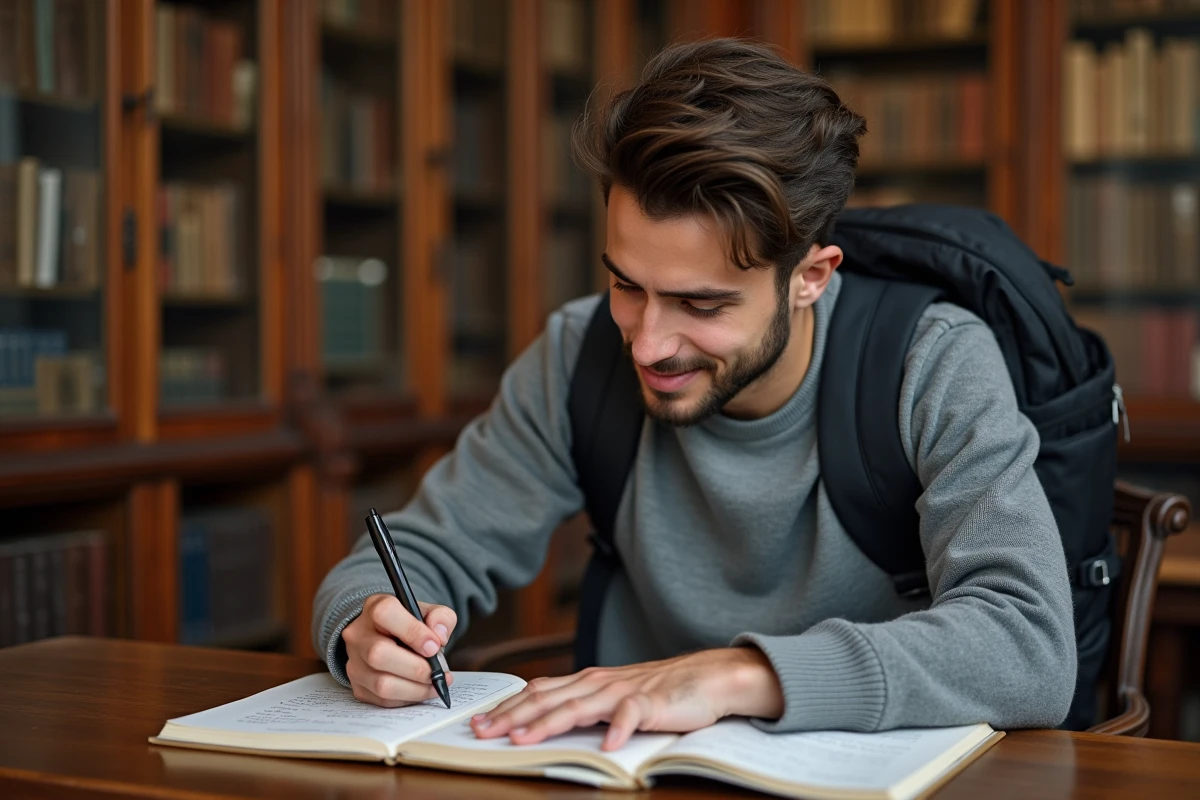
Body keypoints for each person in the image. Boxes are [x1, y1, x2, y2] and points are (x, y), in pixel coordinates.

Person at [312, 38, 1076, 752]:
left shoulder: (930, 360)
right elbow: (414, 551)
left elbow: (1028, 643)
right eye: (624, 284)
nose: (646, 344)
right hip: (619, 769)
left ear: (811, 277)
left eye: (701, 306)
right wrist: (365, 627)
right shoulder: (580, 353)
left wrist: (737, 676)